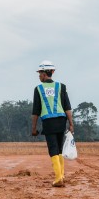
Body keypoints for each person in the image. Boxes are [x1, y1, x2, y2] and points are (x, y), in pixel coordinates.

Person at [31, 60, 74, 188]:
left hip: (48, 122)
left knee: (53, 149)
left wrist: (33, 128)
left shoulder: (38, 89)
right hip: (61, 121)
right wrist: (71, 124)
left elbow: (36, 111)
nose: (39, 76)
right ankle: (61, 175)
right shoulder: (61, 86)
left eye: (40, 73)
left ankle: (58, 177)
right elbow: (67, 107)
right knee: (60, 148)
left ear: (45, 74)